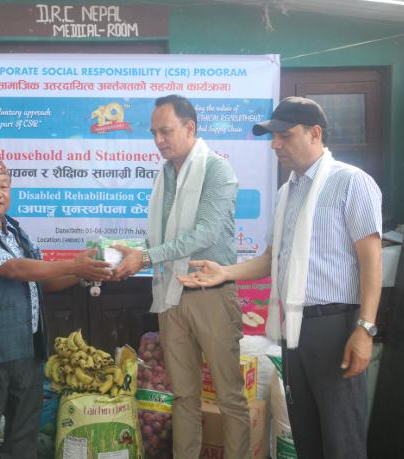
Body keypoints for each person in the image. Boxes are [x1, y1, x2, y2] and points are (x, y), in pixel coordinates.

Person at [179, 97, 382, 459]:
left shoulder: (351, 182)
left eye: (285, 136)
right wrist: (224, 273)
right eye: (273, 137)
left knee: (342, 440)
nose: (275, 145)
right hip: (295, 330)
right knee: (307, 437)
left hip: (336, 327)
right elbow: (271, 260)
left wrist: (365, 329)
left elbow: (372, 262)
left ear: (314, 133)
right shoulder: (287, 193)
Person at [0, 146, 113, 459]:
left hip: (25, 352)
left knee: (23, 440)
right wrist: (73, 264)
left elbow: (41, 280)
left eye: (4, 186)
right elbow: (14, 269)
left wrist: (86, 273)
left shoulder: (16, 231)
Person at [113, 95, 251, 459]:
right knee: (184, 396)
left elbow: (204, 233)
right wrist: (131, 252)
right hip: (171, 294)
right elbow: (163, 239)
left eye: (166, 131)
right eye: (154, 133)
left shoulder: (216, 170)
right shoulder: (165, 176)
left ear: (190, 128)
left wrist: (146, 256)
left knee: (229, 396)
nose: (159, 140)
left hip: (211, 294)